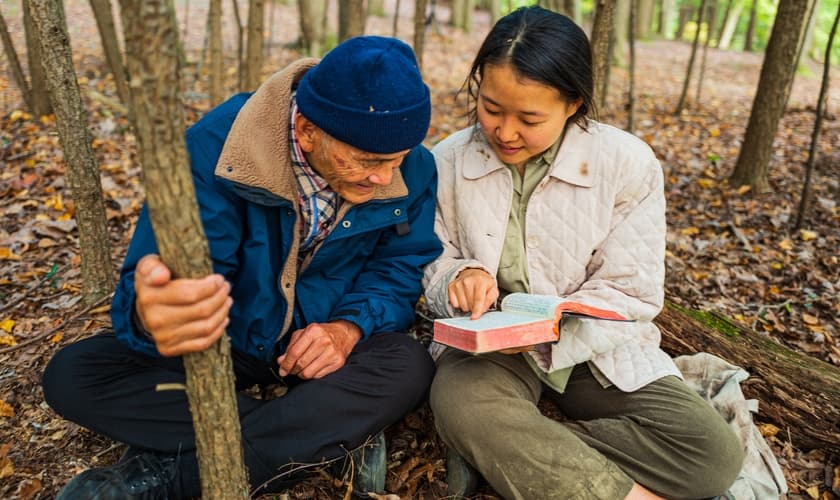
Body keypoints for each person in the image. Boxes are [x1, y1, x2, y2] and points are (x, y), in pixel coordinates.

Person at [42, 35, 442, 499]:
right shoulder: (218, 151)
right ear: (309, 130)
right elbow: (171, 283)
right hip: (223, 346)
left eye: (396, 161)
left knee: (406, 365)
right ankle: (317, 437)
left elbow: (397, 267)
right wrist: (154, 315)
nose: (384, 178)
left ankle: (164, 480)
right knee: (76, 373)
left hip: (322, 353)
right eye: (367, 161)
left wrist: (347, 328)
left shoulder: (412, 168)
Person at [422, 7, 744, 500]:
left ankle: (508, 455)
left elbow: (632, 288)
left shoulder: (626, 163)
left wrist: (548, 328)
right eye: (490, 108)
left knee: (712, 454)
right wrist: (456, 277)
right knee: (462, 404)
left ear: (573, 103)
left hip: (593, 348)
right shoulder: (447, 160)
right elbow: (430, 256)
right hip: (488, 352)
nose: (505, 132)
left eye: (529, 118)